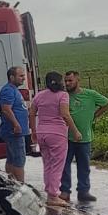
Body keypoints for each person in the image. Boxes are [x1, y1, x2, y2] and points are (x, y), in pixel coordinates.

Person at [30, 72, 82, 206]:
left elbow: (31, 112)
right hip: (57, 134)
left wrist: (33, 131)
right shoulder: (63, 95)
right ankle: (53, 195)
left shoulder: (39, 95)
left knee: (47, 163)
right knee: (57, 165)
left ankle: (49, 191)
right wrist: (75, 131)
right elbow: (65, 114)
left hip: (42, 132)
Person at [61, 71, 108, 202]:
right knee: (64, 164)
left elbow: (107, 103)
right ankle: (65, 191)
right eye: (65, 81)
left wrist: (94, 115)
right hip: (66, 137)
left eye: (70, 81)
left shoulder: (90, 94)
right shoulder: (64, 96)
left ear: (78, 80)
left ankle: (83, 191)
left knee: (84, 165)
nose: (67, 83)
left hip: (85, 136)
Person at [0, 66, 30, 182]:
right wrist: (16, 124)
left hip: (14, 131)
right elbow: (6, 109)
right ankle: (21, 186)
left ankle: (11, 183)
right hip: (14, 131)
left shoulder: (13, 89)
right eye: (21, 76)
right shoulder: (8, 90)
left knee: (12, 159)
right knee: (19, 160)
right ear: (12, 77)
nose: (23, 78)